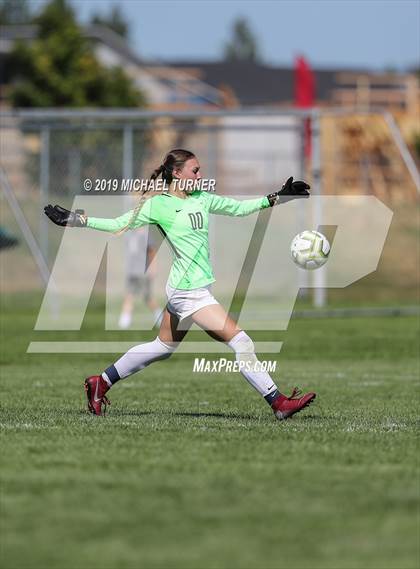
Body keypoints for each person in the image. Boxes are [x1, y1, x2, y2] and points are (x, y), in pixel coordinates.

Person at [44, 149, 316, 420]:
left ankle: (100, 383)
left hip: (190, 288)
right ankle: (279, 403)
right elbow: (119, 224)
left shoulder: (201, 198)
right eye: (195, 170)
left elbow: (238, 208)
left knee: (162, 347)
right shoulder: (157, 205)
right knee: (241, 342)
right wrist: (77, 220)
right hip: (188, 291)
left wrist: (277, 197)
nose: (200, 175)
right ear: (176, 173)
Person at [118, 226, 162, 329]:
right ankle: (124, 322)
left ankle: (160, 317)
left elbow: (152, 252)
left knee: (148, 298)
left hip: (143, 272)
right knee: (129, 295)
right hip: (132, 271)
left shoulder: (146, 235)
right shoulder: (130, 234)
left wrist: (153, 268)